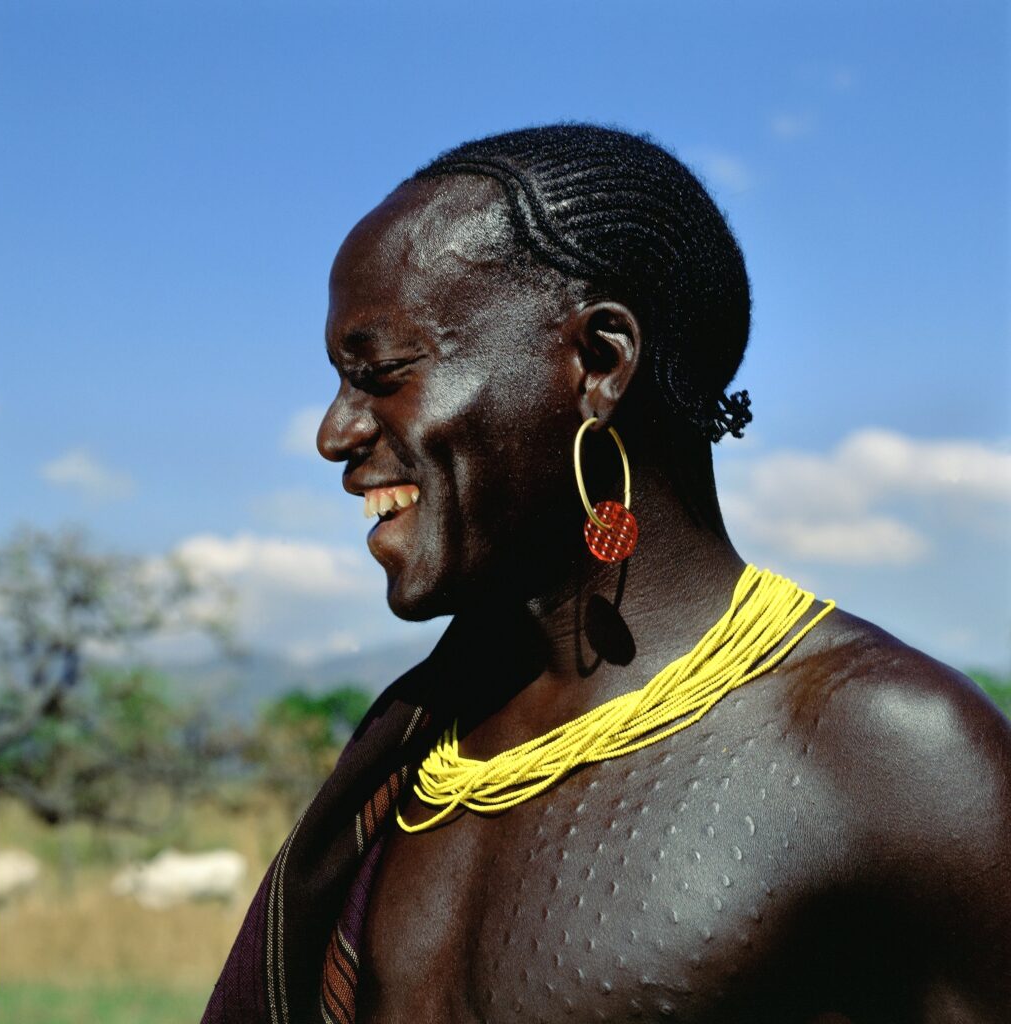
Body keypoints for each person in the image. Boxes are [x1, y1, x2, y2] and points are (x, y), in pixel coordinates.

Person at [203, 125, 1011, 1024]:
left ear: (599, 362)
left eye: (382, 371)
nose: (335, 433)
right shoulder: (418, 754)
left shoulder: (891, 753)